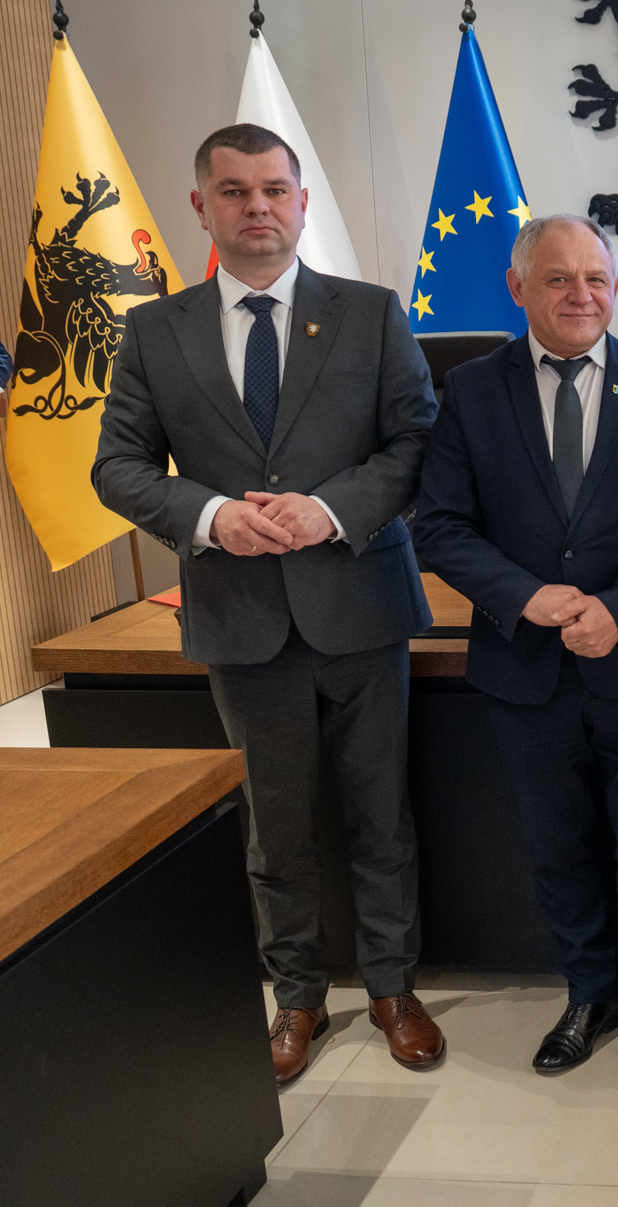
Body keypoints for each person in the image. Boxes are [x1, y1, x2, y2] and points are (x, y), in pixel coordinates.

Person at [92, 123, 443, 1087]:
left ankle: (394, 989)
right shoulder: (154, 331)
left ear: (301, 201)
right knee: (275, 825)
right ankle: (296, 995)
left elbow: (417, 443)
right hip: (241, 616)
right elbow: (117, 467)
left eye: (274, 189)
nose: (258, 207)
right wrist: (209, 516)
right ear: (201, 206)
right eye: (235, 191)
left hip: (360, 605)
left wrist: (330, 509)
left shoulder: (371, 314)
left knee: (381, 814)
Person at [413, 215, 618, 1096]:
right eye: (558, 278)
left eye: (596, 278)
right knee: (557, 847)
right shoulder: (470, 391)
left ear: (615, 288)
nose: (581, 294)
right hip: (524, 666)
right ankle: (590, 995)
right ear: (518, 288)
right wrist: (526, 596)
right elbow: (441, 526)